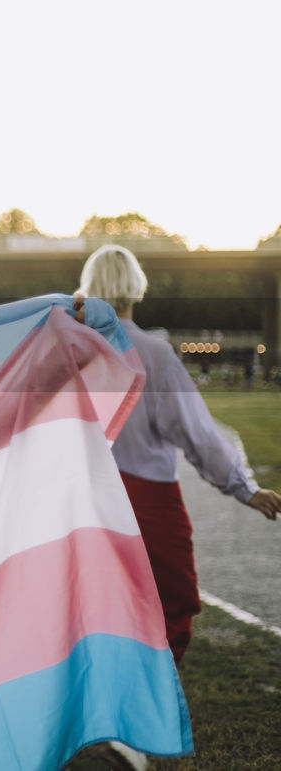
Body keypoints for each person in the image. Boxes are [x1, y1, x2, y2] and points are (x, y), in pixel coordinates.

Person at [79, 247, 281, 652]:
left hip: (86, 501)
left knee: (97, 613)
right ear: (135, 288)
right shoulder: (153, 352)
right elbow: (196, 430)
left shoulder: (71, 352)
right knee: (171, 613)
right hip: (149, 499)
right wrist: (243, 486)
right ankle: (153, 705)